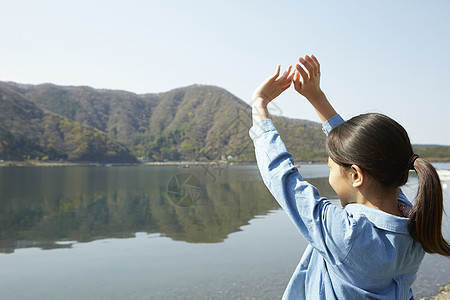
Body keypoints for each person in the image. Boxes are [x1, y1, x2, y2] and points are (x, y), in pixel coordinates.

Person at [249, 55, 450, 299]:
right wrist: (316, 97)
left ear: (355, 175)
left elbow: (281, 175)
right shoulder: (414, 223)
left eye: (330, 168)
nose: (330, 175)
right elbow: (366, 153)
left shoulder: (345, 234)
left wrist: (259, 104)